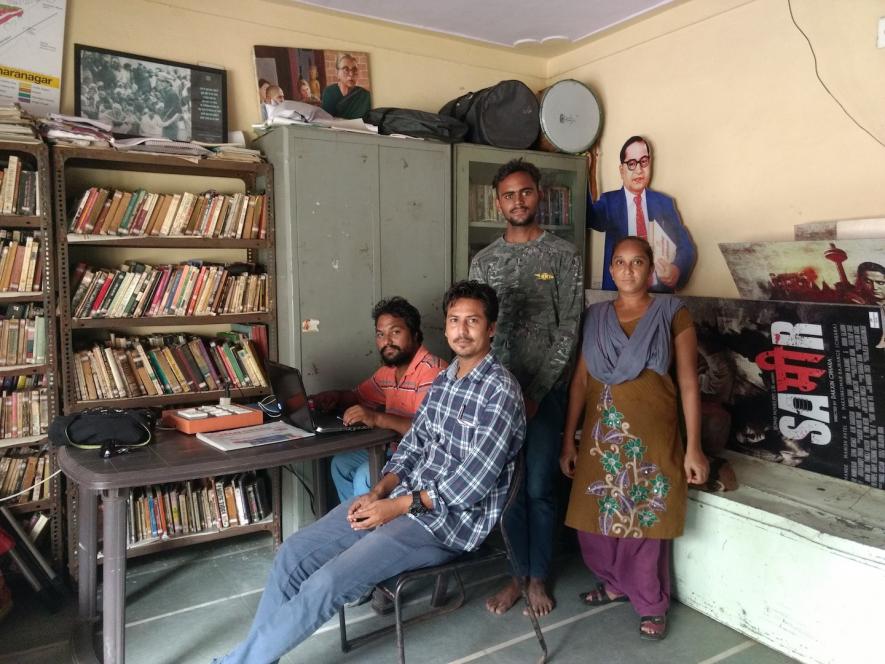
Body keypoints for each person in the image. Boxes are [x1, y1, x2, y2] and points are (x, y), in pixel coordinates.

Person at [212, 280, 525, 664]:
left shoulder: (501, 391)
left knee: (329, 581)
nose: (461, 331)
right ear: (444, 327)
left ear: (490, 328)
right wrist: (380, 491)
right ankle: (258, 658)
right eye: (454, 320)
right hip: (403, 500)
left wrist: (396, 507)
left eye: (472, 321)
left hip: (447, 524)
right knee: (292, 554)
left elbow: (473, 482)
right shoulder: (446, 381)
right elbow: (413, 445)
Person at [560, 235, 709, 641]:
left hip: (652, 435)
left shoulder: (673, 313)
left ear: (650, 268)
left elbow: (689, 384)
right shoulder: (596, 316)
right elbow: (579, 382)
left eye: (638, 262)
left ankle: (650, 603)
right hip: (600, 435)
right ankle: (612, 584)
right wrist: (567, 440)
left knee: (644, 522)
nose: (628, 270)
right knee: (593, 523)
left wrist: (693, 447)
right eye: (620, 263)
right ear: (611, 270)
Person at [470, 158, 583, 617]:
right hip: (498, 398)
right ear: (498, 203)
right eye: (508, 195)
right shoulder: (485, 261)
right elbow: (478, 328)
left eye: (526, 192)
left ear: (539, 195)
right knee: (507, 490)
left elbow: (569, 328)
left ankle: (539, 576)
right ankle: (516, 574)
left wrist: (535, 393)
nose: (518, 201)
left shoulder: (562, 255)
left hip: (544, 396)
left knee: (538, 486)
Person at [311, 297, 447, 503]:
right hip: (394, 450)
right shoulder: (390, 371)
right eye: (380, 334)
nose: (387, 341)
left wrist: (377, 418)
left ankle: (371, 529)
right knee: (341, 464)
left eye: (396, 332)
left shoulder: (432, 371)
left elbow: (427, 432)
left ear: (416, 334)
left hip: (423, 458)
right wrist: (336, 396)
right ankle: (354, 526)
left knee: (365, 475)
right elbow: (358, 396)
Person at [588, 136, 696, 292]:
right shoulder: (609, 202)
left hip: (658, 297)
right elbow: (589, 216)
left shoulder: (664, 203)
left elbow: (686, 247)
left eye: (643, 161)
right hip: (620, 297)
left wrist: (676, 270)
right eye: (631, 164)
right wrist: (587, 170)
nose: (639, 170)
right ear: (621, 170)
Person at [321, 53, 371, 119]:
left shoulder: (365, 95)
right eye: (346, 69)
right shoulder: (329, 92)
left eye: (354, 70)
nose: (351, 74)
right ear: (337, 73)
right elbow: (327, 119)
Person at [854, 261, 885, 348]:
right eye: (868, 281)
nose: (874, 287)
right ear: (861, 282)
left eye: (881, 283)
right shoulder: (858, 306)